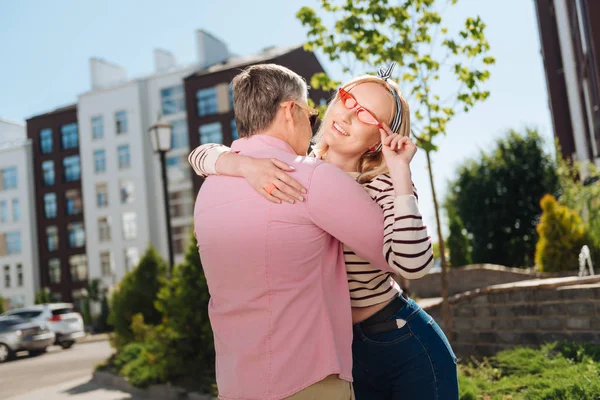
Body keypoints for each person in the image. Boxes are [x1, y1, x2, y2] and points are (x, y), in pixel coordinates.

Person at [190, 63, 459, 399]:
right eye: (347, 99)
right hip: (336, 352)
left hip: (398, 341)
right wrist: (242, 164)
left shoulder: (383, 183)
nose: (348, 115)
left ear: (381, 138)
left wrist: (401, 172)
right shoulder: (300, 167)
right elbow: (200, 155)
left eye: (367, 115)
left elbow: (414, 263)